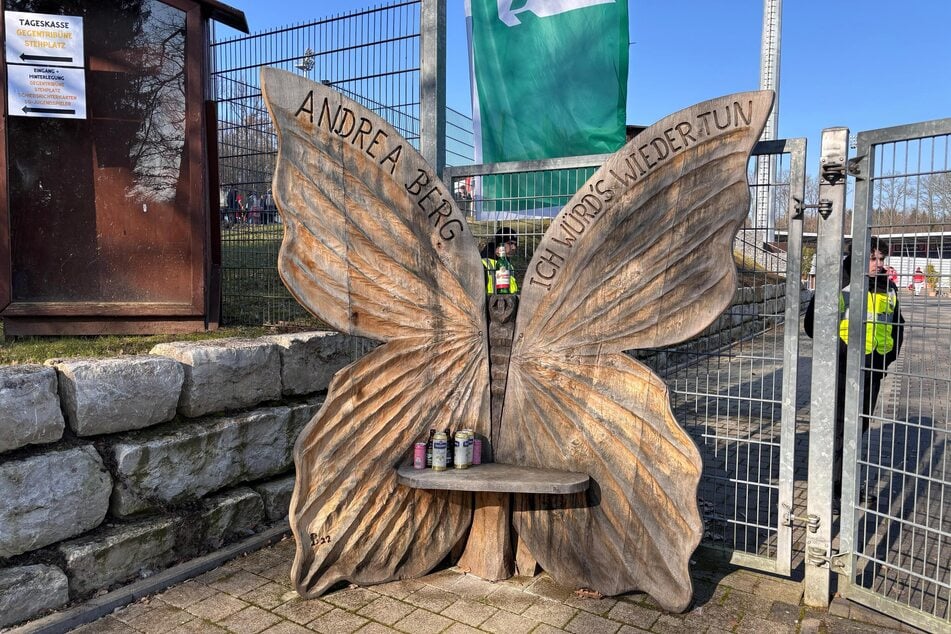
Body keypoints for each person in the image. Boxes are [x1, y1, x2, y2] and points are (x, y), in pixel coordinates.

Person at [804, 237, 904, 507]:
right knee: (836, 429)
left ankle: (847, 486)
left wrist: (885, 361)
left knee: (857, 429)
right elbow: (814, 325)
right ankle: (828, 490)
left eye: (882, 259)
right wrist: (840, 354)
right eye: (873, 258)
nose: (879, 264)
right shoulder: (839, 284)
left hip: (872, 370)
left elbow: (897, 326)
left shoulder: (888, 288)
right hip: (840, 370)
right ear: (858, 257)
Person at [480, 227, 519, 294]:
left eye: (515, 244)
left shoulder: (509, 265)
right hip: (489, 302)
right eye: (510, 243)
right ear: (499, 244)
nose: (513, 247)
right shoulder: (483, 263)